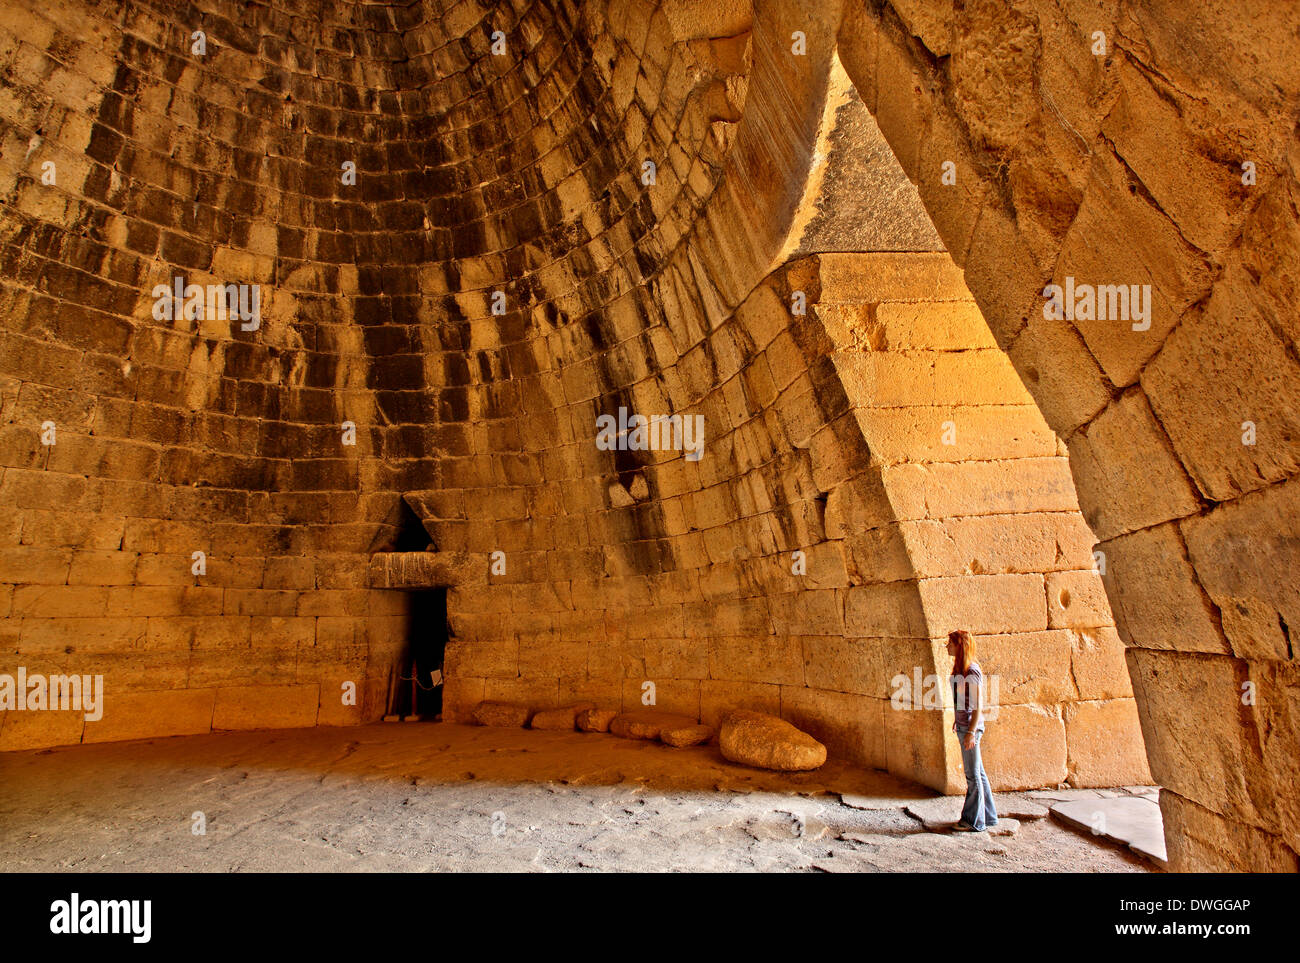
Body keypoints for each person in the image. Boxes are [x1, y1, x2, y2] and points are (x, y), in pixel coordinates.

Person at [946, 629, 998, 832]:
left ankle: (972, 820)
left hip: (970, 728)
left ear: (960, 646)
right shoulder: (960, 669)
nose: (947, 647)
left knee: (972, 775)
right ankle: (988, 816)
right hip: (964, 725)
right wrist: (957, 721)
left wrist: (970, 732)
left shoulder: (972, 670)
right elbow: (963, 702)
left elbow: (977, 706)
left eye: (950, 643)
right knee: (979, 773)